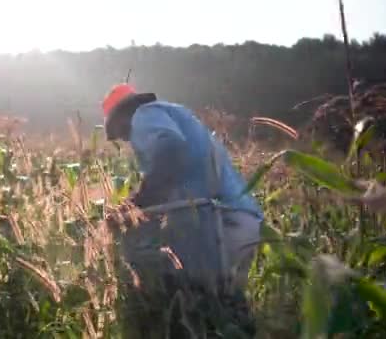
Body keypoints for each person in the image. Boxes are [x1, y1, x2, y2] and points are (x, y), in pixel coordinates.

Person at [101, 83, 264, 337]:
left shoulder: (145, 115)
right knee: (228, 311)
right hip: (242, 218)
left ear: (124, 114)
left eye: (120, 131)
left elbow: (170, 153)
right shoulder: (174, 113)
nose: (125, 139)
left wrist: (133, 208)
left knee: (200, 307)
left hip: (217, 220)